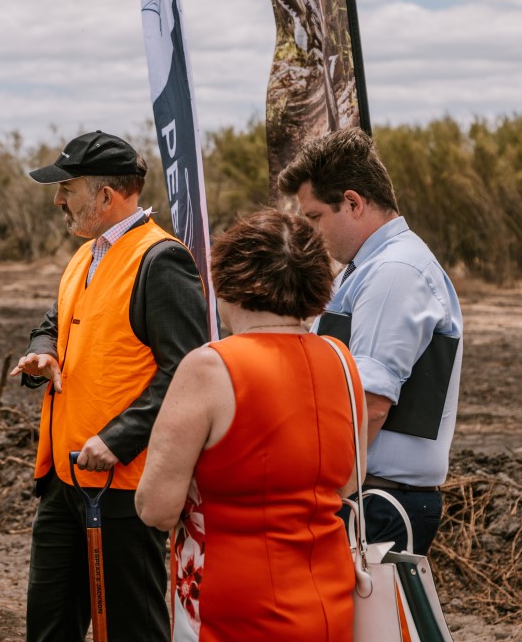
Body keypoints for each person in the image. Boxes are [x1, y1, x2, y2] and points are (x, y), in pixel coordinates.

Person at [9, 130, 209, 642]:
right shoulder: (85, 254)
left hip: (123, 487)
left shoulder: (160, 259)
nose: (57, 200)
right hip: (63, 481)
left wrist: (117, 440)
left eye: (66, 188)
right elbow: (52, 319)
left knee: (131, 630)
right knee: (48, 627)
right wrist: (44, 349)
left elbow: (186, 372)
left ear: (105, 195)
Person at [136, 208, 368, 641]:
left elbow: (156, 507)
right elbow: (349, 481)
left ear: (228, 281)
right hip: (327, 593)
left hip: (233, 603)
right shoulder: (340, 358)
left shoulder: (209, 366)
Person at [278, 128, 463, 555]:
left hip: (378, 500)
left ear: (353, 203)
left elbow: (371, 401)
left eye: (314, 217)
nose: (310, 231)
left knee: (373, 624)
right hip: (373, 494)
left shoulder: (394, 271)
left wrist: (328, 493)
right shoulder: (373, 267)